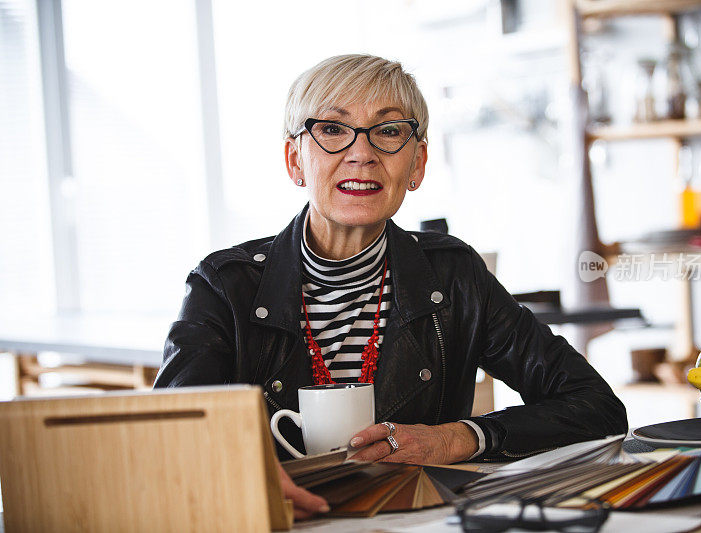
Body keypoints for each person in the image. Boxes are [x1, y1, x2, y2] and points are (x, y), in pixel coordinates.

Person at [154, 54, 627, 519]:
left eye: (388, 131)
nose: (362, 153)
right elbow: (170, 435)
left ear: (417, 164)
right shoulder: (224, 285)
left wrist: (457, 437)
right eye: (333, 130)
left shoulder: (454, 274)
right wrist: (244, 471)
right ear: (294, 159)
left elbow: (595, 405)